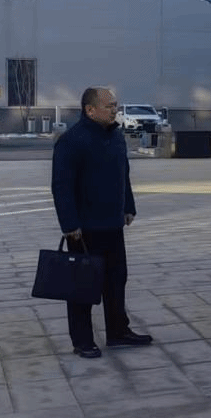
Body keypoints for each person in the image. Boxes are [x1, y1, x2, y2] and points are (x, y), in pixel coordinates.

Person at [51, 87, 152, 359]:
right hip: (84, 230)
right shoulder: (72, 141)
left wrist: (128, 206)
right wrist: (69, 224)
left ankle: (118, 331)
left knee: (117, 280)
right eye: (109, 106)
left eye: (115, 105)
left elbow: (124, 174)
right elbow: (61, 186)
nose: (114, 110)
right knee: (82, 286)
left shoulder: (116, 137)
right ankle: (82, 340)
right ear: (90, 110)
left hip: (113, 225)